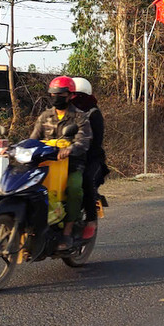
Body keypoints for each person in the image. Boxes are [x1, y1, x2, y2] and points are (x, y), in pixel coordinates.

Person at [29, 76, 93, 250]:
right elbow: (33, 139)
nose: (56, 97)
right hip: (45, 165)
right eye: (53, 94)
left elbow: (83, 141)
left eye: (61, 94)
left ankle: (68, 231)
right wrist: (16, 148)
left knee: (74, 189)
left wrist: (70, 150)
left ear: (70, 95)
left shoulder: (80, 117)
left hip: (71, 165)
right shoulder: (45, 116)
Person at [69, 77, 107, 240]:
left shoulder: (93, 114)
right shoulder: (66, 112)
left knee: (85, 181)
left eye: (74, 95)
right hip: (70, 157)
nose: (71, 99)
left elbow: (95, 142)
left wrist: (78, 147)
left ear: (83, 95)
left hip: (92, 159)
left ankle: (91, 220)